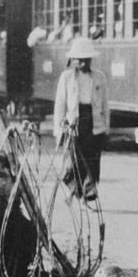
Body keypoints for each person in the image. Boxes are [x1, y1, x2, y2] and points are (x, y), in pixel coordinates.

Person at [53, 37, 111, 199]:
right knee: (74, 159)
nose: (84, 64)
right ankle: (75, 188)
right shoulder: (67, 77)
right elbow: (60, 104)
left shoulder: (99, 77)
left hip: (93, 121)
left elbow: (105, 104)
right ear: (73, 60)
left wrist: (106, 128)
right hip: (75, 122)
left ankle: (90, 189)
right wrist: (59, 130)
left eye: (87, 60)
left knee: (92, 159)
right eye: (80, 60)